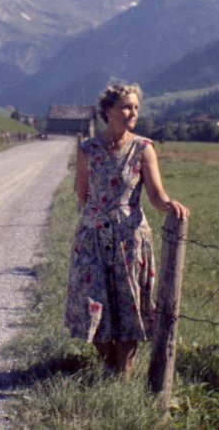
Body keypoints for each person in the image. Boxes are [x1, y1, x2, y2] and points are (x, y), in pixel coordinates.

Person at [64, 82, 190, 378]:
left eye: (135, 107)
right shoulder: (87, 149)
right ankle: (112, 365)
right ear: (108, 111)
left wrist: (169, 204)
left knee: (128, 308)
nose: (133, 112)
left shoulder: (143, 149)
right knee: (89, 304)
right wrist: (96, 220)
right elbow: (82, 195)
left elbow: (156, 194)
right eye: (126, 107)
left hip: (129, 240)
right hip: (92, 239)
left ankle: (121, 379)